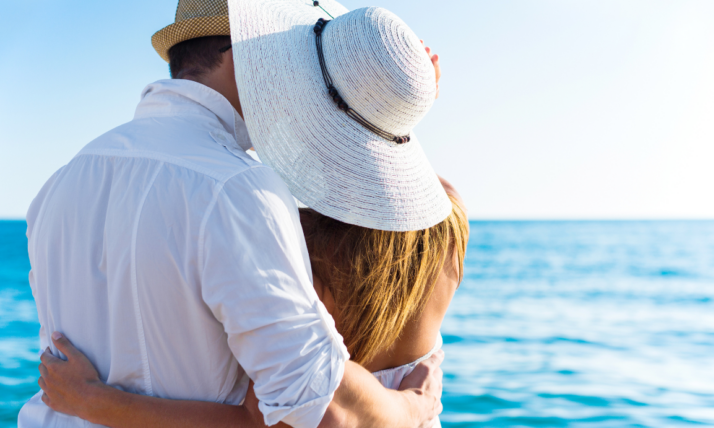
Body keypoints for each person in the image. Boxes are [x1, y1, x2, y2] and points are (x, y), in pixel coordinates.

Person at [20, 0, 449, 427]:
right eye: (289, 59)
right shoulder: (239, 190)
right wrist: (416, 405)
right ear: (239, 56)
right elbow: (321, 410)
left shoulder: (58, 183)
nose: (300, 81)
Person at [35, 182, 468, 428]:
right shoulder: (448, 222)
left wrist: (92, 401)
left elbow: (256, 423)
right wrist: (415, 406)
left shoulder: (314, 244)